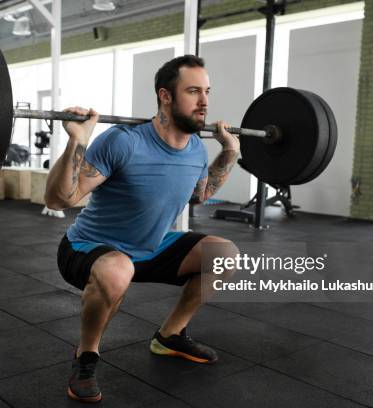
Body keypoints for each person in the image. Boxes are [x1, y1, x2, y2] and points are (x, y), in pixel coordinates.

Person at [45, 55, 240, 403]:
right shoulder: (124, 141)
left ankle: (170, 335)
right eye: (193, 91)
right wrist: (77, 140)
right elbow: (61, 200)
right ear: (165, 96)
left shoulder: (196, 148)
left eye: (207, 92)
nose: (205, 102)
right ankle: (86, 355)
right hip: (89, 247)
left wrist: (230, 152)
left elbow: (201, 195)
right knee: (118, 269)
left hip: (150, 247)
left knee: (224, 254)